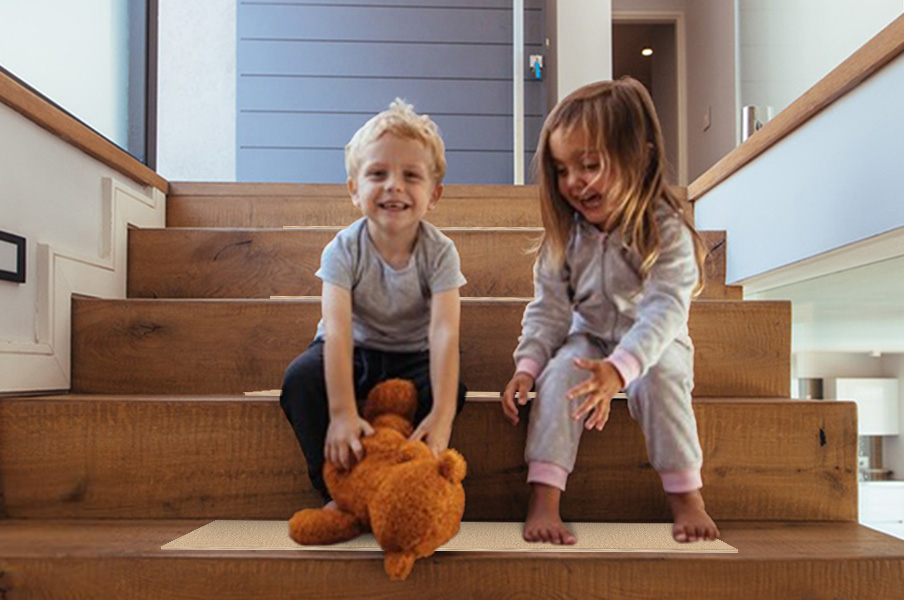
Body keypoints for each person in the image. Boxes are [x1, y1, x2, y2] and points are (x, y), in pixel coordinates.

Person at [500, 78, 720, 545]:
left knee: (663, 378)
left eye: (590, 165)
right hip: (589, 337)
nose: (573, 182)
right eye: (562, 170)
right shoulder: (567, 238)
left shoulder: (666, 233)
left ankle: (686, 496)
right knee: (559, 375)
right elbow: (548, 310)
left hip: (654, 342)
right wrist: (527, 366)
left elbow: (664, 311)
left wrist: (619, 371)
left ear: (639, 159)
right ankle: (544, 500)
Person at [280, 99, 467, 508]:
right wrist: (343, 412)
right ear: (354, 189)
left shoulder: (440, 252)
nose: (393, 185)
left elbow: (444, 333)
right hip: (355, 351)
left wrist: (443, 416)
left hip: (415, 354)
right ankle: (340, 490)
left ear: (434, 194)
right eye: (378, 173)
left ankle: (411, 483)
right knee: (300, 380)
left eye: (411, 175)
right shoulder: (343, 249)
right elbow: (338, 332)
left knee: (452, 390)